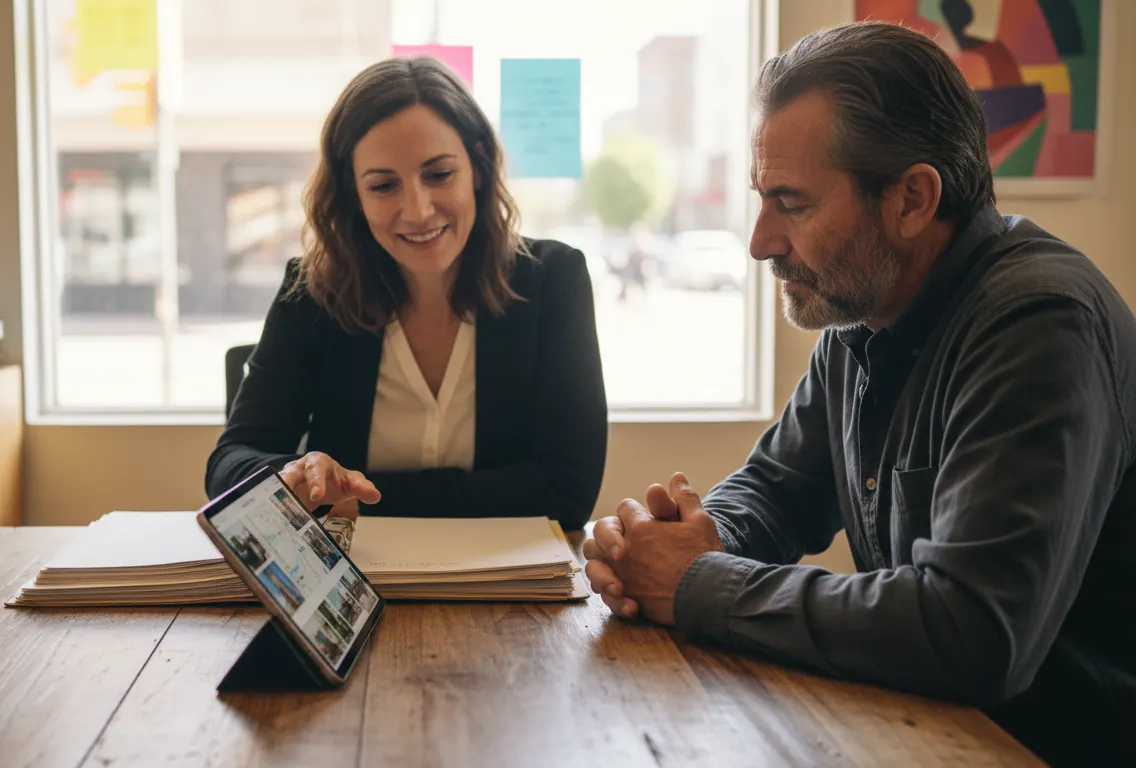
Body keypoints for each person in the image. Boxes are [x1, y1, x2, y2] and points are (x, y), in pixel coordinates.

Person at [583, 22, 1134, 766]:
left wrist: (695, 582)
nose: (760, 242)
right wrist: (677, 541)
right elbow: (776, 493)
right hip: (922, 735)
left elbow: (970, 631)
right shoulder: (862, 317)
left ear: (911, 199)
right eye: (761, 198)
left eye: (793, 203)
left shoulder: (1039, 323)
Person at [205, 57, 608, 532]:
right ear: (353, 193)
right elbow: (228, 464)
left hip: (507, 588)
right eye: (383, 185)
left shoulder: (553, 280)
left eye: (438, 175)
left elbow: (568, 491)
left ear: (477, 166)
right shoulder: (312, 292)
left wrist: (366, 499)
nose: (417, 210)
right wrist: (294, 475)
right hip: (353, 585)